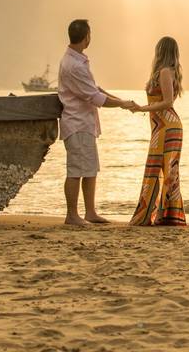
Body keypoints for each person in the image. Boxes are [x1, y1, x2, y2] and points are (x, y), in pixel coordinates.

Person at [57, 19, 134, 226]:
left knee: (90, 169)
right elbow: (94, 97)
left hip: (84, 123)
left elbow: (95, 89)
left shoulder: (77, 60)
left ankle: (90, 212)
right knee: (76, 171)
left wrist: (120, 100)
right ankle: (72, 215)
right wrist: (121, 104)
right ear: (86, 37)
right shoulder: (74, 65)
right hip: (77, 123)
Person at [128, 36, 186, 227]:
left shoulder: (165, 72)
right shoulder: (165, 72)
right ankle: (161, 215)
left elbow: (168, 102)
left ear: (160, 51)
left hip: (168, 127)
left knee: (166, 171)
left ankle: (164, 216)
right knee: (159, 169)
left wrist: (141, 108)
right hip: (161, 127)